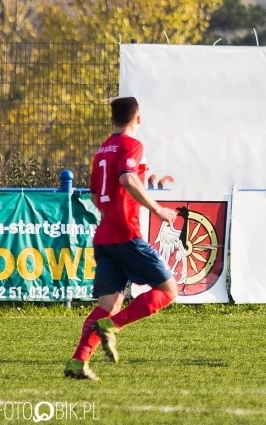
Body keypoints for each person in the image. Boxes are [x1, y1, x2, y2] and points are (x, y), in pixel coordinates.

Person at [64, 97, 178, 380]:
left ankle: (78, 362)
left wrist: (113, 209)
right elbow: (128, 178)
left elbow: (93, 195)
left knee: (108, 304)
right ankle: (112, 326)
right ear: (138, 119)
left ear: (112, 119)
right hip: (126, 234)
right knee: (168, 291)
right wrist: (157, 209)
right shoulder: (132, 145)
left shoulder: (103, 149)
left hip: (104, 236)